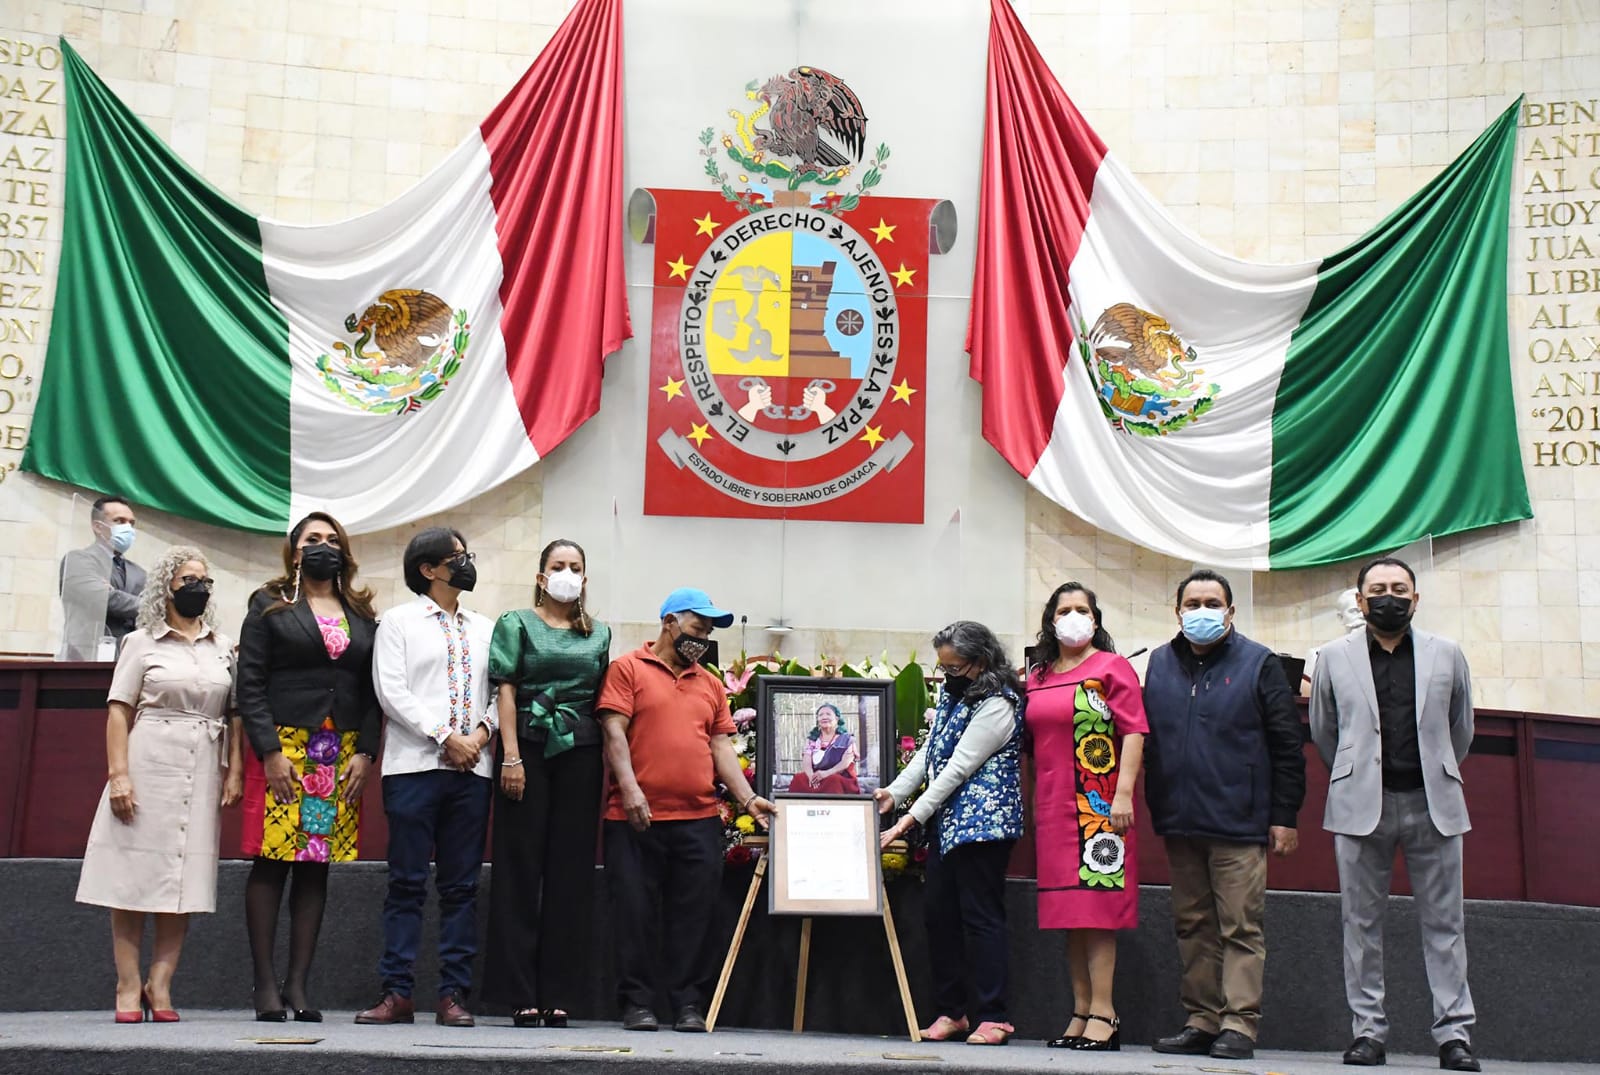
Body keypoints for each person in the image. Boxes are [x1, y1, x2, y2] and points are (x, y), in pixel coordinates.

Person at [1310, 557, 1479, 1072]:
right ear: (1361, 601)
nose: (1390, 597)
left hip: (1433, 804)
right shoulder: (1333, 657)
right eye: (1379, 589)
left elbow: (1461, 729)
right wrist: (1357, 773)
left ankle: (1454, 1035)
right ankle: (1368, 1032)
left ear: (1416, 599)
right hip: (1361, 805)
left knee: (1446, 924)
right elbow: (1324, 730)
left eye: (1400, 589)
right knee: (1360, 924)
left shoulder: (1447, 653)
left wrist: (1435, 768)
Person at [1142, 569, 1305, 1061]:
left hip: (1239, 820)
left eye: (1212, 603)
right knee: (1192, 925)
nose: (1202, 611)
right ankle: (1202, 1019)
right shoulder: (1159, 663)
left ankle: (1239, 1024)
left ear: (1231, 612)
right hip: (1179, 818)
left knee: (1240, 926)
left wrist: (1285, 816)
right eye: (1192, 604)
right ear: (1177, 612)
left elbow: (1287, 746)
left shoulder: (1259, 664)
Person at [75, 545, 243, 1023]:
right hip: (149, 762)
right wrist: (119, 775)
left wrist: (234, 769)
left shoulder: (222, 646)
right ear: (166, 585)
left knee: (183, 878)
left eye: (205, 581)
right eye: (189, 579)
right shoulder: (141, 642)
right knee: (132, 877)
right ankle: (128, 984)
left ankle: (161, 983)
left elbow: (235, 713)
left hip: (202, 765)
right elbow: (118, 711)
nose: (199, 587)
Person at [597, 587, 775, 1033]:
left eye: (709, 632)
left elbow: (721, 747)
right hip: (635, 818)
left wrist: (747, 798)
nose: (703, 638)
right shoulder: (627, 668)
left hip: (698, 820)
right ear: (669, 622)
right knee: (634, 914)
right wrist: (630, 790)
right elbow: (614, 734)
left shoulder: (710, 684)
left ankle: (688, 1003)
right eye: (698, 628)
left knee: (695, 916)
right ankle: (637, 1003)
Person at [236, 512, 381, 1022]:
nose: (324, 546)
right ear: (295, 550)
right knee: (271, 861)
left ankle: (297, 985)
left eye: (332, 540)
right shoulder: (269, 603)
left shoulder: (361, 611)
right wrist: (269, 751)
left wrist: (366, 752)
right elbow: (250, 683)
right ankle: (264, 984)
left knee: (315, 864)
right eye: (313, 539)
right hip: (284, 748)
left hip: (337, 751)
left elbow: (373, 690)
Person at [357, 528, 496, 1029]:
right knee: (407, 883)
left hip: (473, 769)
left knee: (461, 887)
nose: (466, 563)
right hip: (414, 768)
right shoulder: (398, 622)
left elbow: (500, 691)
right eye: (456, 557)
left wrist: (480, 735)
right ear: (428, 569)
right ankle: (396, 992)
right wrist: (446, 736)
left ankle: (453, 994)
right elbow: (391, 691)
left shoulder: (485, 627)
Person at [482, 539, 612, 1028]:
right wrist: (511, 756)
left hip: (581, 752)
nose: (567, 573)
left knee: (570, 872)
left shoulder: (599, 633)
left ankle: (559, 991)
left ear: (585, 578)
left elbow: (600, 699)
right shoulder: (515, 623)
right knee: (519, 869)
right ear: (541, 577)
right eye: (558, 566)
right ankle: (518, 992)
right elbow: (506, 690)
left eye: (575, 567)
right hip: (528, 748)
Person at [877, 620, 1024, 1047]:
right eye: (943, 668)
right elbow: (931, 751)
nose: (947, 675)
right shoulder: (954, 693)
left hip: (984, 827)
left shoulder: (999, 703)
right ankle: (952, 1012)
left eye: (955, 668)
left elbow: (958, 767)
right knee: (939, 917)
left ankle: (994, 1016)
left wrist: (909, 818)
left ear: (981, 661)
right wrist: (894, 793)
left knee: (981, 919)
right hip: (949, 825)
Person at [1024, 582, 1147, 1052]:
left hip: (1099, 809)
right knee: (1070, 915)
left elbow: (1134, 732)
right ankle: (1080, 1010)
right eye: (1064, 610)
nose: (1073, 616)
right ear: (1050, 620)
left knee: (1097, 913)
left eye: (1082, 609)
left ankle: (1105, 1012)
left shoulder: (1112, 668)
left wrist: (1124, 795)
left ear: (1095, 620)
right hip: (1052, 810)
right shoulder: (1038, 676)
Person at [58, 494, 146, 661]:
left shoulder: (139, 572)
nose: (128, 528)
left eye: (131, 523)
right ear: (98, 526)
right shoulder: (77, 560)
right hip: (85, 659)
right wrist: (147, 604)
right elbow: (103, 599)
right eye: (120, 521)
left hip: (128, 659)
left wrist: (116, 595)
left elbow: (150, 615)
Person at [799, 703, 861, 793]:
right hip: (816, 776)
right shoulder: (812, 740)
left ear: (837, 719)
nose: (824, 717)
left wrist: (826, 773)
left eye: (828, 714)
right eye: (821, 715)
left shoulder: (847, 739)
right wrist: (811, 776)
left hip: (839, 776)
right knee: (798, 779)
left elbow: (845, 762)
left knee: (833, 780)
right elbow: (806, 760)